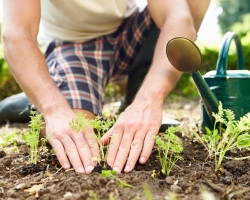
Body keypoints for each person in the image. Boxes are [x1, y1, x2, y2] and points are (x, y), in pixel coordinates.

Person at [1, 0, 210, 174]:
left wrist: (149, 100)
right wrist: (54, 109)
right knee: (79, 133)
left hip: (130, 32)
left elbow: (178, 18)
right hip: (75, 44)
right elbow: (17, 33)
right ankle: (41, 95)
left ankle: (134, 101)